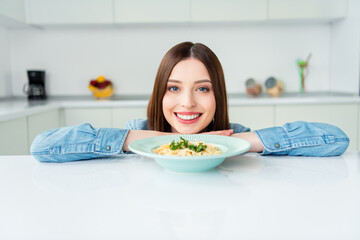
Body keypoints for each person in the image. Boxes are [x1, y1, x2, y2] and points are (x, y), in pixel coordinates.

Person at [31, 42, 349, 163]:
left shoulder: (235, 137)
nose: (187, 103)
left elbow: (336, 139)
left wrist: (237, 143)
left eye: (202, 89)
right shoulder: (135, 135)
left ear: (217, 96)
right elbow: (42, 147)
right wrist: (146, 141)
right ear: (160, 94)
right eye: (173, 88)